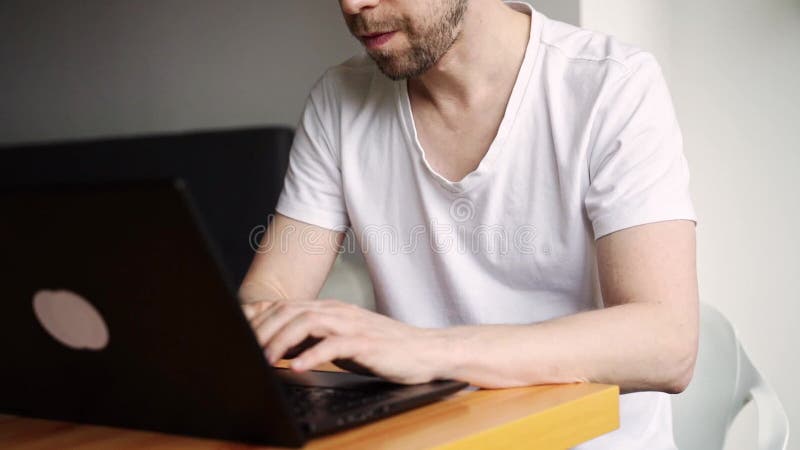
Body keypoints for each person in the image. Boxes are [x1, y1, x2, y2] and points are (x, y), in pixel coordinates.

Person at [239, 0, 699, 448]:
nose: (353, 5)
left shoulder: (611, 84)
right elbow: (270, 293)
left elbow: (667, 342)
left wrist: (428, 351)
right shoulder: (338, 100)